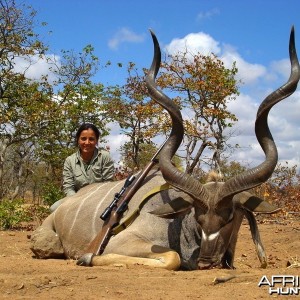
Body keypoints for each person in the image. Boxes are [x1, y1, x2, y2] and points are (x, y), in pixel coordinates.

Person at [50, 123, 115, 212]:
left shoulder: (105, 157)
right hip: (76, 199)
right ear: (78, 140)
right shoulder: (70, 160)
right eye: (83, 139)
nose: (87, 142)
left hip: (100, 199)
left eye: (91, 139)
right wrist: (78, 201)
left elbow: (108, 184)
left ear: (96, 141)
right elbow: (68, 187)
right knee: (53, 208)